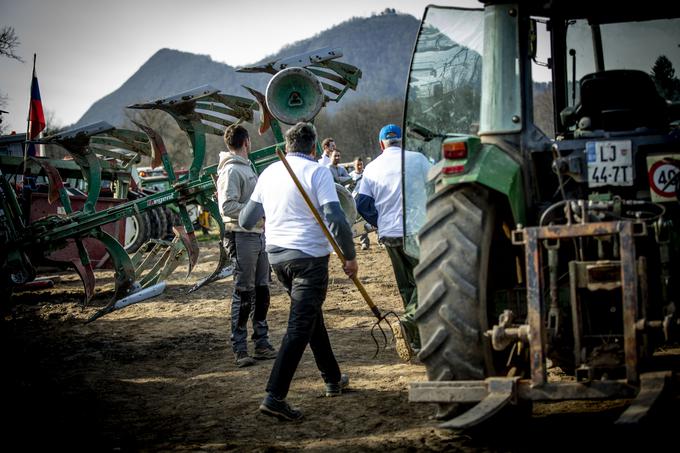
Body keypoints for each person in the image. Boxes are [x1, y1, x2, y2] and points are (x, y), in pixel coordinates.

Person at [240, 122, 358, 421]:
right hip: (310, 260)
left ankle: (332, 378)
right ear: (315, 147)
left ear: (289, 144)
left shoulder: (269, 172)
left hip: (278, 259)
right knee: (299, 326)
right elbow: (336, 217)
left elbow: (246, 219)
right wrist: (349, 256)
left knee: (311, 318)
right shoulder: (318, 172)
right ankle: (274, 396)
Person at [355, 124, 431, 354]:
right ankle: (409, 325)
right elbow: (437, 185)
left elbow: (362, 204)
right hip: (418, 229)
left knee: (406, 286)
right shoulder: (419, 159)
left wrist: (381, 221)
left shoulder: (371, 168)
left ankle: (416, 341)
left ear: (381, 144)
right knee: (426, 282)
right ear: (402, 141)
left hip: (390, 234)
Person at [216, 124, 277, 368]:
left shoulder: (246, 167)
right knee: (243, 291)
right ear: (247, 142)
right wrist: (253, 214)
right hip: (241, 236)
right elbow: (226, 207)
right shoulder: (231, 171)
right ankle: (240, 347)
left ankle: (261, 342)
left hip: (257, 235)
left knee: (262, 289)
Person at [349, 157, 372, 251]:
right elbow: (348, 189)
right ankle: (350, 242)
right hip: (354, 201)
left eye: (361, 164)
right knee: (353, 222)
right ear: (354, 165)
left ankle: (365, 242)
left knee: (364, 221)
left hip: (365, 200)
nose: (359, 166)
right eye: (357, 164)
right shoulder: (350, 176)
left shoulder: (367, 174)